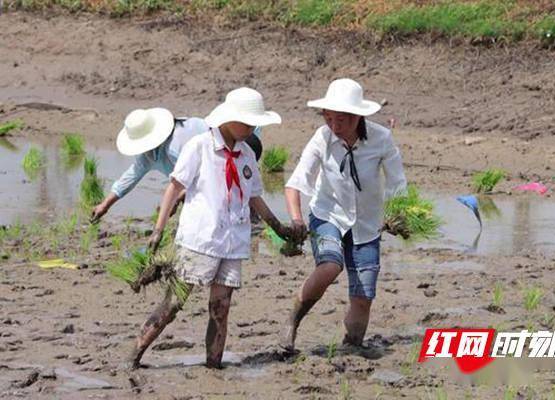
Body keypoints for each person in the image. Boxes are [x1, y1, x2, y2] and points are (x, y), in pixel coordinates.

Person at [127, 87, 299, 369]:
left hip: (233, 243)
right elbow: (174, 188)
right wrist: (158, 229)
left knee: (221, 309)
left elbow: (255, 197)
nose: (251, 128)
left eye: (253, 123)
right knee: (173, 304)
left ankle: (213, 365)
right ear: (229, 118)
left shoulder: (246, 156)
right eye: (246, 122)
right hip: (199, 240)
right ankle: (134, 355)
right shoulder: (200, 147)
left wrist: (279, 228)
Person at [279, 78, 407, 352]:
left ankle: (351, 347)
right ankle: (292, 320)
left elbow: (397, 183)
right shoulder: (322, 138)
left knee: (363, 297)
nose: (335, 127)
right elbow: (296, 183)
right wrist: (297, 219)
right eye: (329, 119)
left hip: (367, 225)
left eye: (342, 120)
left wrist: (399, 216)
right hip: (328, 215)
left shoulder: (381, 139)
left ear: (358, 117)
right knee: (330, 265)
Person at [90, 109, 263, 223]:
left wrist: (175, 200)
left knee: (230, 188)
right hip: (217, 160)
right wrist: (105, 205)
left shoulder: (177, 145)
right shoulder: (148, 156)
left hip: (240, 144)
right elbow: (130, 177)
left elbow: (201, 175)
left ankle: (250, 214)